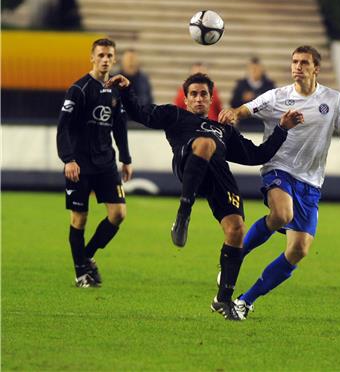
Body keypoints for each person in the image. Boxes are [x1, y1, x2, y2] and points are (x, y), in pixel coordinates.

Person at [107, 72, 303, 321]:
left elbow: (257, 155)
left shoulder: (224, 130)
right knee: (206, 144)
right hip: (188, 165)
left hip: (217, 177)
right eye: (194, 94)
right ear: (186, 99)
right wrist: (126, 89)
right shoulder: (174, 115)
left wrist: (282, 129)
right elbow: (138, 113)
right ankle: (183, 213)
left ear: (211, 99)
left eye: (203, 95)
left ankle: (223, 299)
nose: (198, 99)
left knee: (236, 230)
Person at [218, 45, 340, 318]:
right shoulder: (277, 96)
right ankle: (234, 257)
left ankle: (245, 301)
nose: (297, 67)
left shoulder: (333, 100)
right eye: (294, 61)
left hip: (311, 182)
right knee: (282, 213)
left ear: (316, 68)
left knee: (299, 250)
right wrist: (234, 114)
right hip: (278, 169)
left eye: (304, 62)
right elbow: (245, 109)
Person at [57, 38, 133, 288]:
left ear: (114, 59)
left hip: (106, 163)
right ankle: (81, 273)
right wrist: (68, 159)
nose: (105, 60)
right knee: (79, 218)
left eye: (109, 56)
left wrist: (126, 158)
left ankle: (86, 256)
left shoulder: (115, 90)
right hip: (80, 164)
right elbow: (63, 128)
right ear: (92, 57)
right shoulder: (78, 89)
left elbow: (119, 126)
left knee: (119, 213)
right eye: (100, 55)